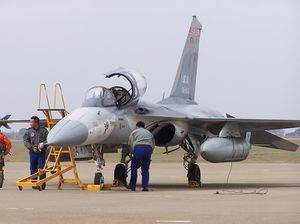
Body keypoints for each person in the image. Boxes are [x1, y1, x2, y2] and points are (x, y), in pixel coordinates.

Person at [128, 121, 155, 191]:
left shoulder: (134, 132)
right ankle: (145, 187)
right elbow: (153, 144)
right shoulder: (149, 133)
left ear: (137, 126)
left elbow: (130, 143)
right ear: (144, 126)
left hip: (138, 149)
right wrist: (150, 152)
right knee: (145, 169)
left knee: (134, 168)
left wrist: (132, 152)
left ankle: (132, 186)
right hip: (148, 149)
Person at [23, 116, 48, 190]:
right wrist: (31, 147)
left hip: (41, 152)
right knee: (33, 168)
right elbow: (25, 141)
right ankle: (34, 184)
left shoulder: (44, 131)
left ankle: (42, 184)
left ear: (36, 122)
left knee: (41, 168)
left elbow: (49, 139)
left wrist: (43, 144)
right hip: (32, 153)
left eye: (31, 122)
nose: (30, 123)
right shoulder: (29, 131)